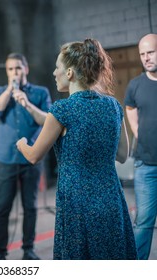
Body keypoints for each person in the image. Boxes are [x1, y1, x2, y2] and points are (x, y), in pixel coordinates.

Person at [16, 38, 138, 259]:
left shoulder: (63, 109)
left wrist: (22, 143)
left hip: (77, 204)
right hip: (110, 199)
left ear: (70, 73)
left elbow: (34, 156)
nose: (54, 73)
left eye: (57, 68)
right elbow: (122, 155)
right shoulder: (113, 106)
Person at [0, 53, 52, 260]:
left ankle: (28, 249)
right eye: (10, 69)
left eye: (18, 68)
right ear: (7, 72)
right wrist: (9, 91)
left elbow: (48, 121)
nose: (14, 72)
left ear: (26, 69)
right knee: (3, 208)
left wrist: (25, 103)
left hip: (31, 158)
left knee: (30, 207)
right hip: (5, 159)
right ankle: (0, 252)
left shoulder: (40, 93)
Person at [124, 33, 157, 260]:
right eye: (142, 54)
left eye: (151, 52)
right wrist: (139, 133)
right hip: (146, 164)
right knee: (143, 222)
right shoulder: (135, 85)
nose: (146, 58)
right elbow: (130, 111)